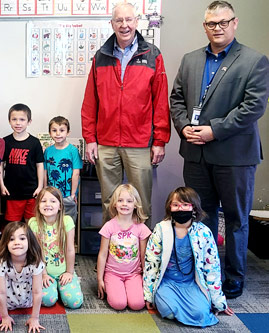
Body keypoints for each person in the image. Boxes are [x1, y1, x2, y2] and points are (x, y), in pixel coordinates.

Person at [169, 0, 269, 298]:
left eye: (223, 22)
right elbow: (176, 100)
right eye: (212, 23)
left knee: (236, 219)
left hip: (234, 156)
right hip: (196, 154)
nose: (218, 28)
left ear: (234, 23)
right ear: (205, 26)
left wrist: (215, 130)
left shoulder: (254, 60)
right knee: (203, 215)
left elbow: (254, 107)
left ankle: (234, 277)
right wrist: (184, 127)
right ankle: (206, 270)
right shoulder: (190, 60)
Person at [80, 2, 170, 226]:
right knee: (110, 202)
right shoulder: (100, 56)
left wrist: (159, 140)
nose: (124, 25)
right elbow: (90, 102)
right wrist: (90, 139)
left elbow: (160, 102)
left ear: (136, 22)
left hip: (139, 143)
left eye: (129, 20)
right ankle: (113, 256)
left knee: (141, 204)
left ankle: (142, 258)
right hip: (106, 143)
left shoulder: (152, 55)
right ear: (112, 24)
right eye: (119, 20)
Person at [143, 187, 234, 327]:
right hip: (167, 283)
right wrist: (148, 295)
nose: (180, 209)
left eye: (185, 205)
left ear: (194, 208)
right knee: (169, 311)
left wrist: (219, 302)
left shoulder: (203, 232)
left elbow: (212, 269)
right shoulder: (161, 229)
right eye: (176, 205)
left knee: (201, 313)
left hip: (192, 284)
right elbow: (151, 264)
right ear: (169, 208)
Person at [96, 184, 151, 310]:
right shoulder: (109, 227)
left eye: (129, 201)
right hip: (113, 273)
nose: (124, 204)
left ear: (136, 204)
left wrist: (146, 279)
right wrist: (100, 279)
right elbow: (102, 254)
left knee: (137, 305)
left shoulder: (141, 228)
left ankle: (128, 289)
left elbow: (143, 256)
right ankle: (117, 288)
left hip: (134, 274)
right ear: (115, 204)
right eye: (120, 200)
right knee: (119, 304)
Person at [29, 186, 83, 309]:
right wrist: (43, 274)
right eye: (43, 201)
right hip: (44, 272)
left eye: (53, 201)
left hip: (64, 270)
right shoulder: (33, 223)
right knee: (47, 300)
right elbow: (37, 252)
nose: (48, 204)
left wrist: (69, 272)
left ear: (60, 206)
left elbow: (70, 249)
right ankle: (55, 288)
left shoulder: (67, 221)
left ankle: (68, 283)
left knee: (74, 302)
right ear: (38, 205)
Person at [0, 221, 45, 333]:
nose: (16, 242)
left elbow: (37, 292)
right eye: (11, 239)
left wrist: (35, 318)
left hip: (29, 301)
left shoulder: (35, 262)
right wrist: (5, 316)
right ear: (5, 243)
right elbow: (0, 292)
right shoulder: (1, 262)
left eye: (22, 238)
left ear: (29, 241)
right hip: (8, 303)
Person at [0, 103, 44, 223]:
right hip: (12, 192)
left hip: (31, 191)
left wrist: (40, 186)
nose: (18, 123)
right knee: (12, 224)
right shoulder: (5, 142)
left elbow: (40, 165)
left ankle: (30, 243)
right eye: (14, 119)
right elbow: (1, 165)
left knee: (32, 223)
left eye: (22, 119)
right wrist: (1, 185)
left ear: (29, 121)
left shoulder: (35, 143)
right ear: (9, 121)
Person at [43, 116, 82, 223]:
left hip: (68, 196)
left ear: (68, 132)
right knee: (52, 223)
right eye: (54, 130)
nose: (58, 134)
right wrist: (45, 190)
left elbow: (76, 173)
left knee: (68, 223)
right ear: (50, 133)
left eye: (62, 130)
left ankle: (69, 240)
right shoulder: (48, 151)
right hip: (51, 196)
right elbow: (45, 173)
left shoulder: (73, 150)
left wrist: (73, 194)